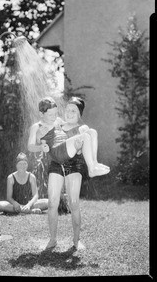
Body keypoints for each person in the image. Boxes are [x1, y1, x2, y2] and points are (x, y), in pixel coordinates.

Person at [27, 96, 110, 250]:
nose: (69, 112)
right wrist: (41, 146)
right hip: (57, 163)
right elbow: (38, 141)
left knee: (74, 203)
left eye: (74, 111)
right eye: (68, 109)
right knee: (52, 203)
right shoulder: (56, 122)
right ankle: (52, 240)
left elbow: (83, 144)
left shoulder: (80, 128)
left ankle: (77, 240)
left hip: (74, 164)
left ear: (79, 114)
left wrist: (79, 146)